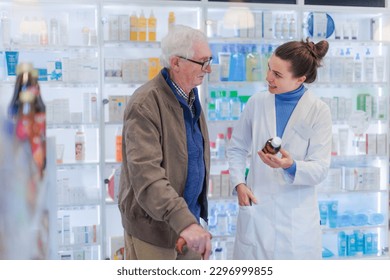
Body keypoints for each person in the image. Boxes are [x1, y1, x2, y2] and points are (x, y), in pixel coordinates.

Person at [227, 38, 332, 259]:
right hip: (257, 213)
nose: (268, 77)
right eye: (269, 68)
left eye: (278, 74)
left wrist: (291, 166)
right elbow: (237, 147)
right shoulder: (257, 103)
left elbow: (320, 168)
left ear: (300, 79)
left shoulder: (318, 111)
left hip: (296, 223)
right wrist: (239, 183)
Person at [118, 25, 213, 260]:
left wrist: (190, 222)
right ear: (176, 62)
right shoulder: (145, 103)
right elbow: (146, 175)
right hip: (156, 230)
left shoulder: (191, 97)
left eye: (209, 60)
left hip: (188, 224)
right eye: (202, 62)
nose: (208, 69)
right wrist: (184, 223)